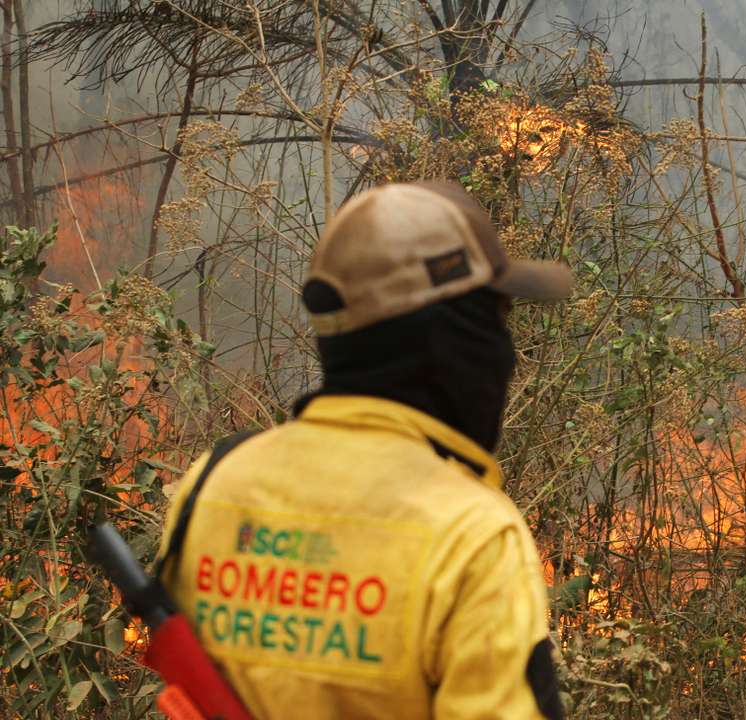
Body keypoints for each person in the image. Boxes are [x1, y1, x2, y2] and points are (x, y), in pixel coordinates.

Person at [156, 181, 572, 719]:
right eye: (496, 324)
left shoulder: (213, 482)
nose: (507, 355)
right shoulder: (472, 536)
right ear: (455, 339)